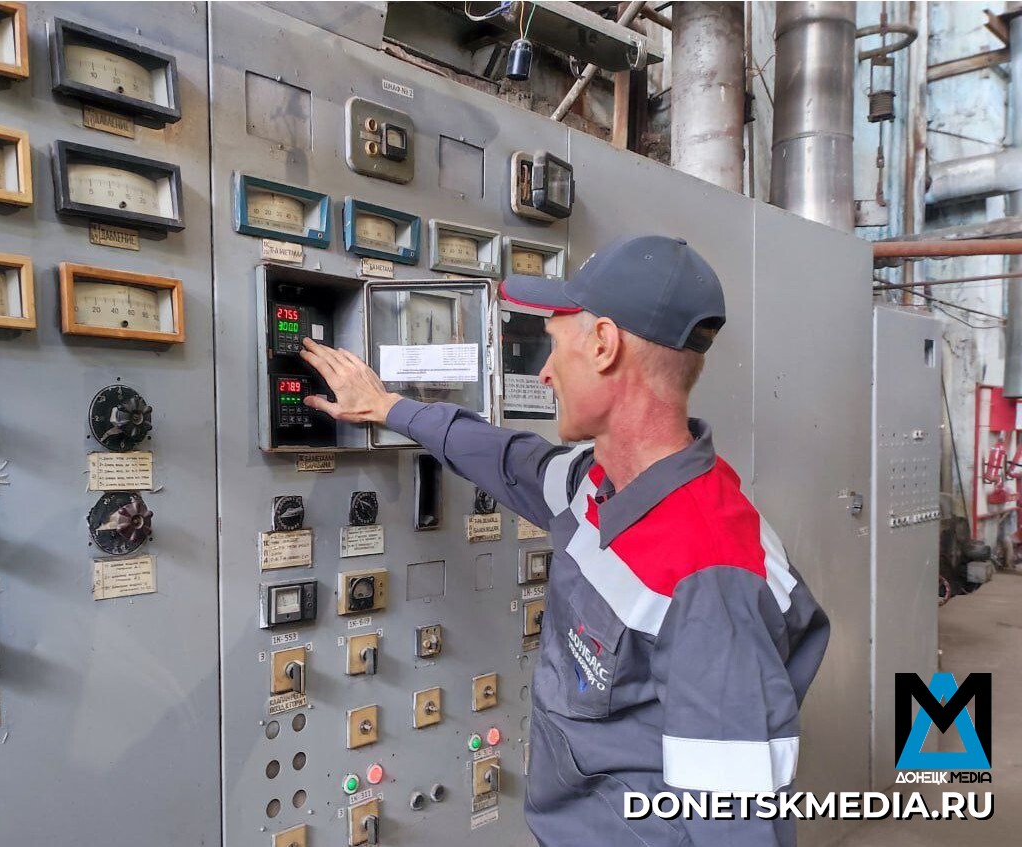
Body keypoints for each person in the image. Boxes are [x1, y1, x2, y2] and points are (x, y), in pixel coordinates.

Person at [298, 234, 830, 847]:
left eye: (555, 346)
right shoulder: (598, 483)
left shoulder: (709, 574)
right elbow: (510, 461)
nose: (545, 373)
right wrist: (391, 408)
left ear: (603, 345)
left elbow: (738, 823)